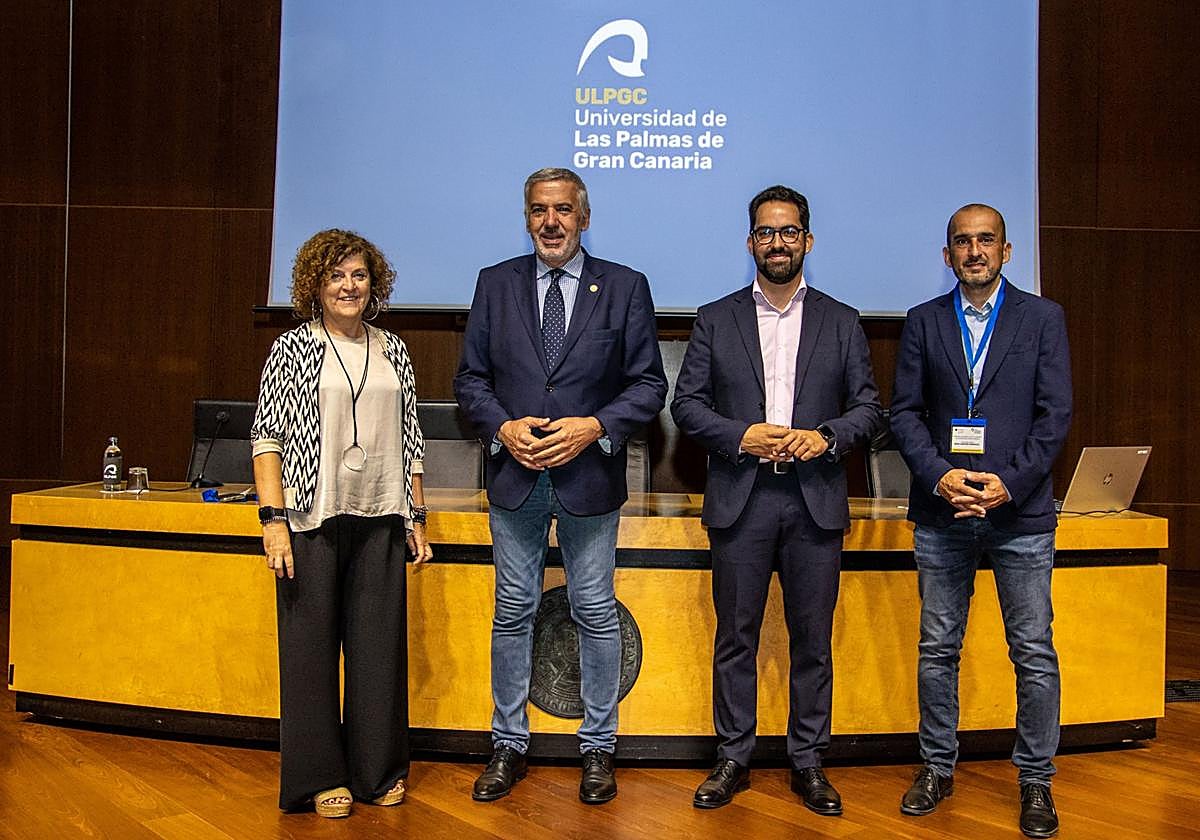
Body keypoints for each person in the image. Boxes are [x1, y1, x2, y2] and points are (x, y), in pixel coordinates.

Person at [454, 167, 667, 804]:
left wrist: (594, 425)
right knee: (512, 612)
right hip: (516, 477)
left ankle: (598, 748)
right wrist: (502, 428)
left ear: (584, 217)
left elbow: (650, 386)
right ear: (527, 218)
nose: (552, 221)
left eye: (564, 210)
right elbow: (470, 381)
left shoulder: (625, 287)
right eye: (540, 210)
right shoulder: (496, 284)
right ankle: (507, 745)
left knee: (595, 613)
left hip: (589, 477)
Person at [671, 185, 882, 815]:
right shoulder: (716, 317)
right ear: (751, 243)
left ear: (807, 241)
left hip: (815, 500)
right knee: (735, 636)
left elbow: (870, 410)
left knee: (811, 639)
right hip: (743, 498)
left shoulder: (842, 320)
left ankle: (808, 761)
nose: (778, 242)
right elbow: (685, 406)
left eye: (789, 231)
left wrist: (825, 438)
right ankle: (733, 756)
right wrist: (740, 434)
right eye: (766, 232)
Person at [890, 204, 1072, 839]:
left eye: (985, 240)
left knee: (1033, 651)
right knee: (938, 648)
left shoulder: (1043, 319)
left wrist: (1009, 483)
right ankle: (937, 767)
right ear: (948, 255)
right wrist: (940, 474)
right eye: (962, 243)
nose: (974, 251)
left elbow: (1055, 416)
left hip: (1019, 514)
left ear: (1007, 250)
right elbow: (905, 413)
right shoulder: (922, 322)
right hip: (942, 511)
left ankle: (1036, 782)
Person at [250, 229, 433, 818]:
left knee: (378, 652)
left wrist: (417, 515)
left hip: (381, 515)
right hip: (311, 515)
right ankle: (317, 777)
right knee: (309, 652)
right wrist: (273, 520)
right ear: (316, 286)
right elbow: (265, 440)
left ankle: (376, 773)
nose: (349, 286)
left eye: (358, 275)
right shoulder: (294, 348)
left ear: (373, 284)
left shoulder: (394, 350)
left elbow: (411, 440)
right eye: (336, 276)